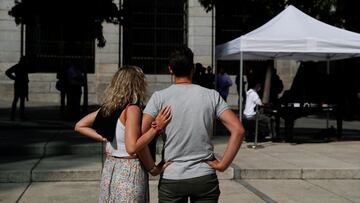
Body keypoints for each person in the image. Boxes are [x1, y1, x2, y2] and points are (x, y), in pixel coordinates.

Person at [141, 46, 245, 202]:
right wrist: (223, 164)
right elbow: (238, 130)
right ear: (193, 68)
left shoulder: (159, 98)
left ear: (170, 69)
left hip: (172, 176)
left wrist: (152, 168)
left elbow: (140, 135)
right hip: (204, 176)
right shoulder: (211, 96)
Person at [74, 66, 172, 202]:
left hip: (110, 170)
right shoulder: (132, 109)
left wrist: (104, 137)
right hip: (129, 172)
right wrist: (156, 128)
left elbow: (80, 125)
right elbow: (132, 148)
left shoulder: (108, 108)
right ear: (137, 84)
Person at [5, 56, 29, 121]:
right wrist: (14, 78)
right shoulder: (19, 66)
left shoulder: (20, 66)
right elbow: (7, 72)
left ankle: (15, 115)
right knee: (18, 100)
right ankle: (16, 115)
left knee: (18, 100)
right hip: (20, 85)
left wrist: (15, 78)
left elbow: (7, 72)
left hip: (20, 84)